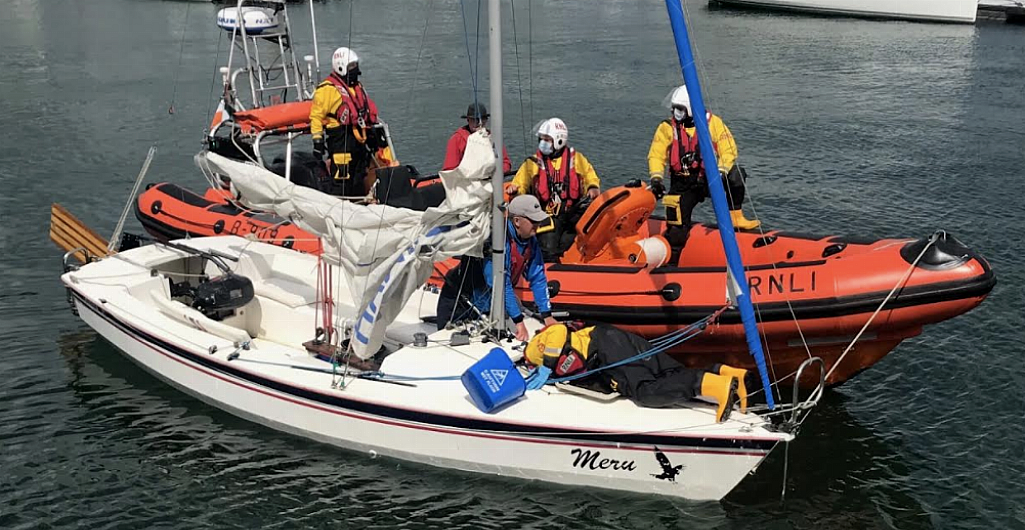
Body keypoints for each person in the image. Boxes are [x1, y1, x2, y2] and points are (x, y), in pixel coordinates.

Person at [524, 323, 750, 423]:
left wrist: (546, 365)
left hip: (605, 345)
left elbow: (557, 331)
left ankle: (715, 386)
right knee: (669, 373)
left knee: (645, 392)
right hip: (613, 339)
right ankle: (724, 373)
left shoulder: (531, 351)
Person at [647, 85, 760, 266]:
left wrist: (721, 170)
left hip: (708, 179)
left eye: (680, 109)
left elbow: (728, 148)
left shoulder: (712, 123)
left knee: (736, 174)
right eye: (674, 108)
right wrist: (656, 178)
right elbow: (656, 154)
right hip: (682, 183)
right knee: (677, 230)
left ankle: (735, 215)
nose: (676, 112)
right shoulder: (667, 128)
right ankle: (671, 264)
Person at [436, 194, 558, 341]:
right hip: (460, 301)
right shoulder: (497, 240)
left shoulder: (531, 242)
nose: (538, 224)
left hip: (488, 308)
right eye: (533, 220)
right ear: (517, 221)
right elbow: (498, 282)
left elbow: (538, 277)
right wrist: (518, 321)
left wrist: (547, 315)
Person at [507, 118, 602, 261]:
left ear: (559, 140)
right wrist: (515, 189)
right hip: (545, 216)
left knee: (578, 237)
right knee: (548, 246)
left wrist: (593, 187)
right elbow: (520, 183)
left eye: (546, 139)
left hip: (571, 214)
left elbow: (590, 176)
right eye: (541, 139)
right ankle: (548, 268)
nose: (542, 143)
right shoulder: (532, 163)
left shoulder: (576, 159)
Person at [309, 46, 392, 197]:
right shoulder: (327, 90)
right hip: (341, 140)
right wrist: (317, 141)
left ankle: (360, 205)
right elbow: (316, 117)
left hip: (359, 140)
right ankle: (338, 207)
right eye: (351, 66)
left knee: (359, 176)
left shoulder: (357, 87)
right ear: (341, 66)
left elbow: (366, 111)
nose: (355, 69)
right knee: (341, 180)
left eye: (355, 65)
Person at [443, 103, 512, 173]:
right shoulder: (457, 139)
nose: (480, 122)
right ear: (468, 120)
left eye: (483, 119)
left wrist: (495, 171)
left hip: (490, 179)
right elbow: (450, 170)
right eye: (475, 119)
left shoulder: (493, 138)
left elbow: (505, 163)